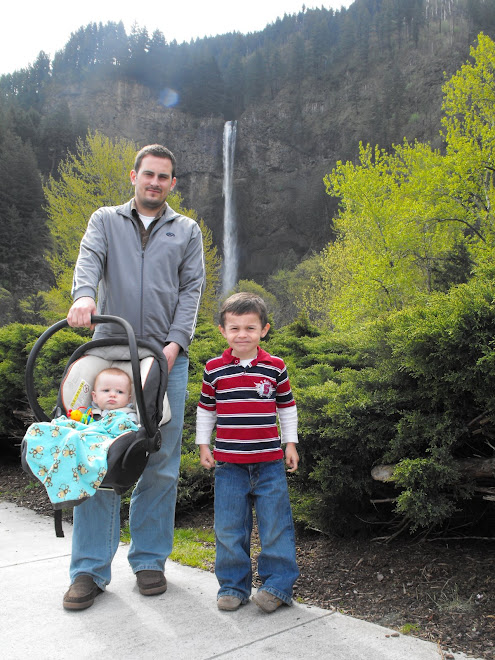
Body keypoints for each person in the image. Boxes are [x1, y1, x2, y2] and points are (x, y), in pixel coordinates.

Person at [63, 144, 205, 611]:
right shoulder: (105, 220)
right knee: (98, 457)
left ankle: (149, 561)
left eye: (164, 177)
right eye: (148, 175)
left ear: (173, 183)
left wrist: (173, 345)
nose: (155, 183)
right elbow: (88, 264)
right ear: (134, 176)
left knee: (160, 463)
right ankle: (88, 571)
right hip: (110, 355)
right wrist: (84, 296)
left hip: (165, 359)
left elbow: (191, 290)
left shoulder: (186, 230)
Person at [195, 292, 300, 613]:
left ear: (264, 330)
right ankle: (232, 586)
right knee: (229, 528)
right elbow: (206, 411)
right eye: (235, 328)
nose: (243, 335)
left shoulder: (274, 367)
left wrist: (290, 443)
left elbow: (287, 408)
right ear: (222, 330)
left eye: (250, 328)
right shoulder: (214, 370)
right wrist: (203, 445)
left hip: (269, 464)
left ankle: (277, 586)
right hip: (229, 465)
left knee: (275, 526)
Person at [24, 368, 139, 507]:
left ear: (128, 399)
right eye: (106, 391)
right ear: (94, 396)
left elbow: (129, 430)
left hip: (110, 444)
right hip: (86, 437)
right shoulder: (89, 413)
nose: (113, 395)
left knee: (76, 439)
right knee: (66, 433)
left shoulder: (127, 415)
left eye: (119, 392)